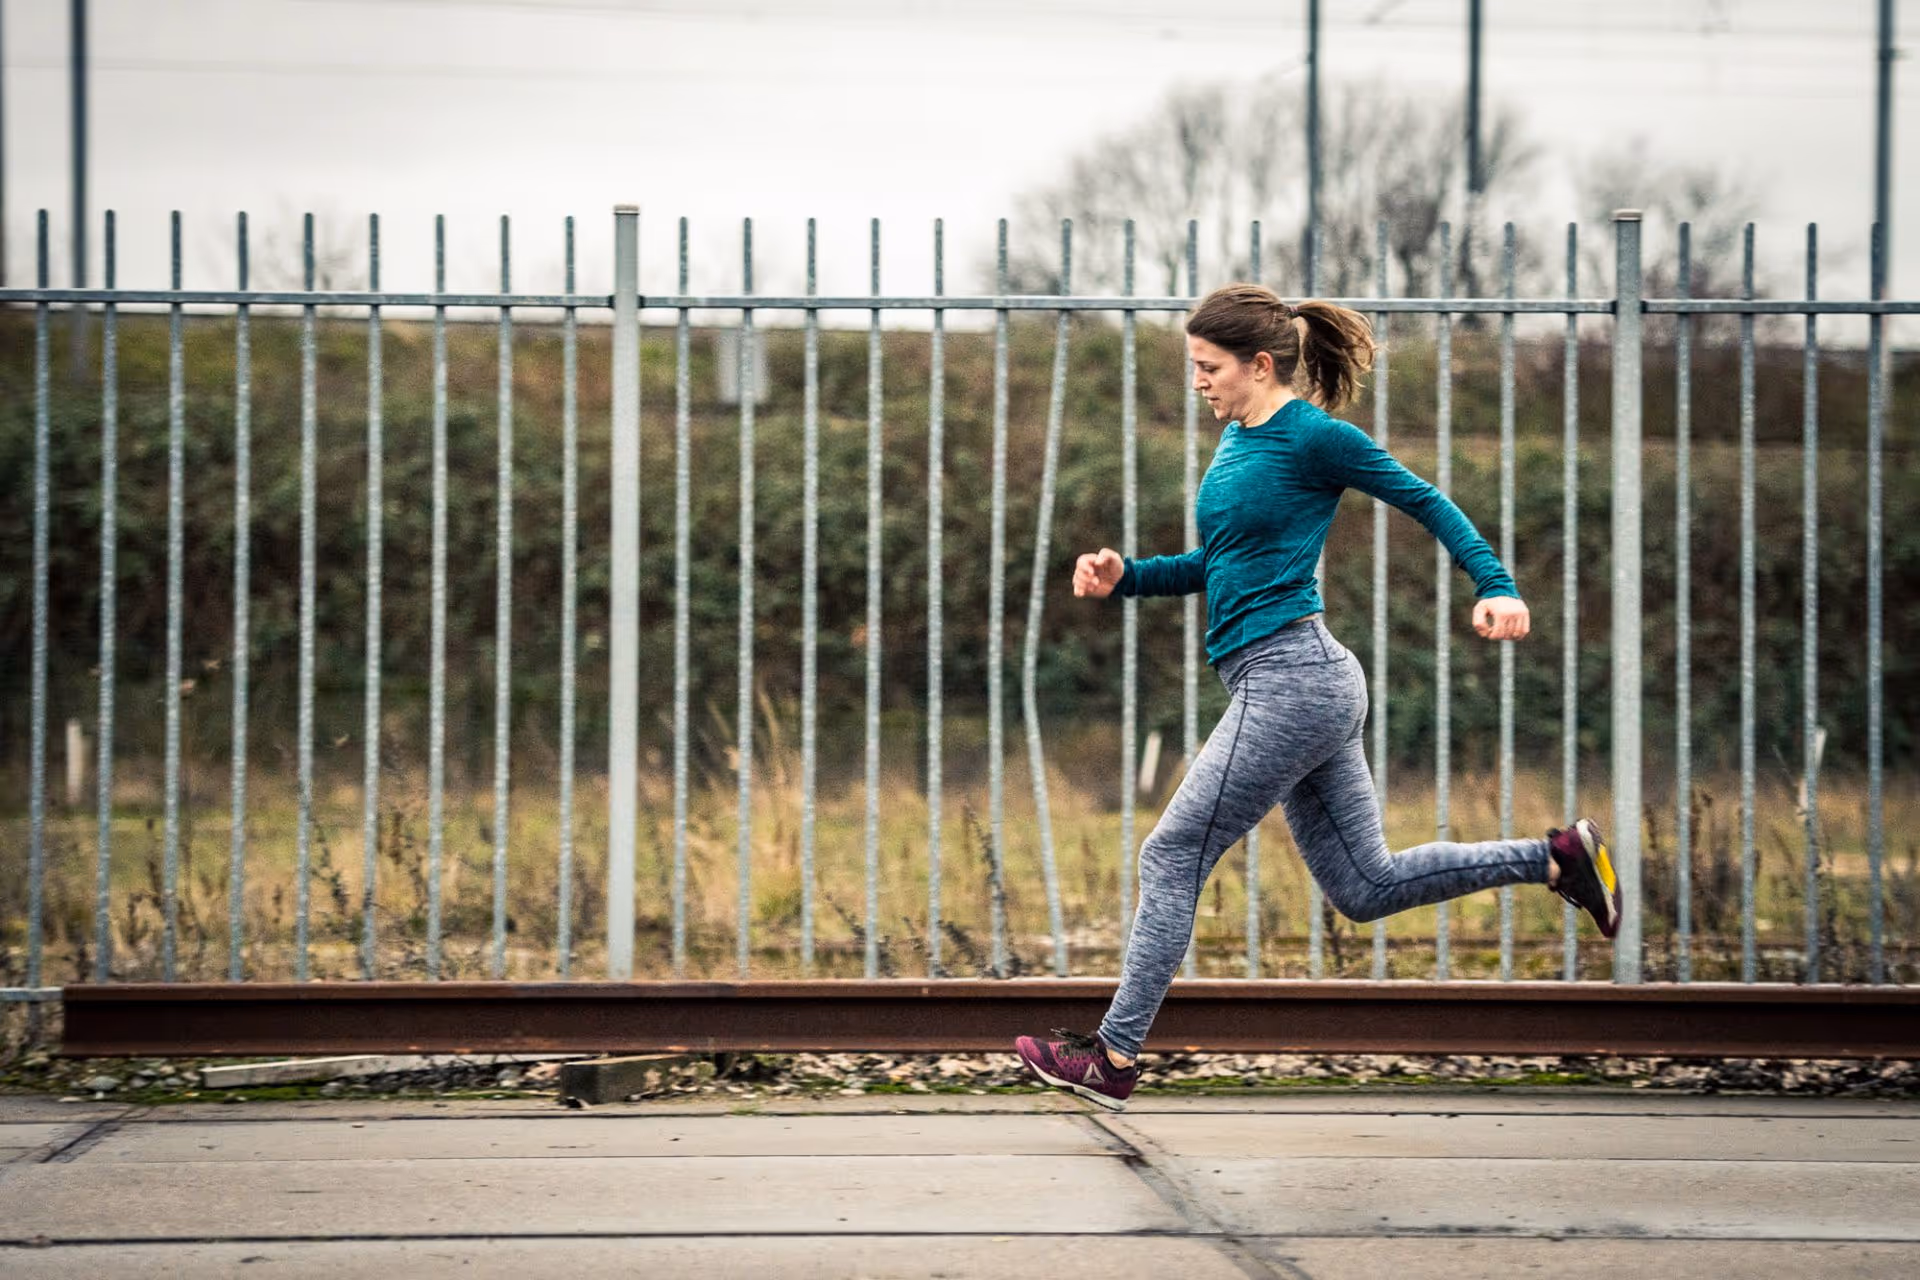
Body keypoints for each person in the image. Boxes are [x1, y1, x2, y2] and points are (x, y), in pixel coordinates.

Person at [1014, 284, 1620, 1112]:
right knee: (1364, 887)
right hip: (1302, 684)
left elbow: (1424, 498)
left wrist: (1496, 585)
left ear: (1260, 365)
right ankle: (1558, 859)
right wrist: (1129, 578)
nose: (1198, 381)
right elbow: (1218, 564)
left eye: (1209, 367)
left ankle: (1113, 1057)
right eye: (1194, 366)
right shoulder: (1239, 441)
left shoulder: (1313, 437)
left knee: (1171, 854)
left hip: (1291, 682)